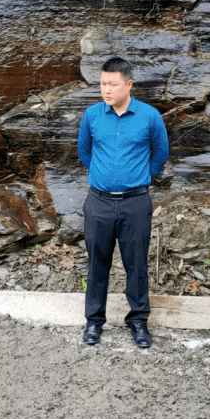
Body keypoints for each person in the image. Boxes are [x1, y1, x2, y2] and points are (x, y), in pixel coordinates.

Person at [77, 57, 169, 349]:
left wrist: (140, 176)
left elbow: (160, 155)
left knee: (137, 265)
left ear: (129, 85)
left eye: (112, 84)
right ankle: (94, 322)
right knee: (97, 265)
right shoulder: (92, 115)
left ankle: (139, 322)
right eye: (103, 83)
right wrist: (104, 177)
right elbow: (84, 152)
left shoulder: (150, 116)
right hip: (99, 202)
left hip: (135, 203)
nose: (106, 90)